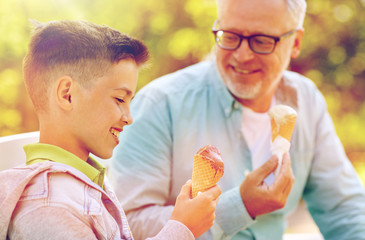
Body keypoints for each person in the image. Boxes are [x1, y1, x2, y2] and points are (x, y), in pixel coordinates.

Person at [108, 0, 365, 239]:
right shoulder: (160, 104)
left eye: (261, 41)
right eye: (230, 36)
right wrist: (239, 206)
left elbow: (343, 208)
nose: (242, 56)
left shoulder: (306, 100)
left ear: (296, 42)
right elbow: (127, 222)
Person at [0, 20, 221, 240]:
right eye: (119, 99)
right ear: (67, 94)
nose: (129, 118)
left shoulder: (84, 179)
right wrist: (183, 229)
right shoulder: (48, 207)